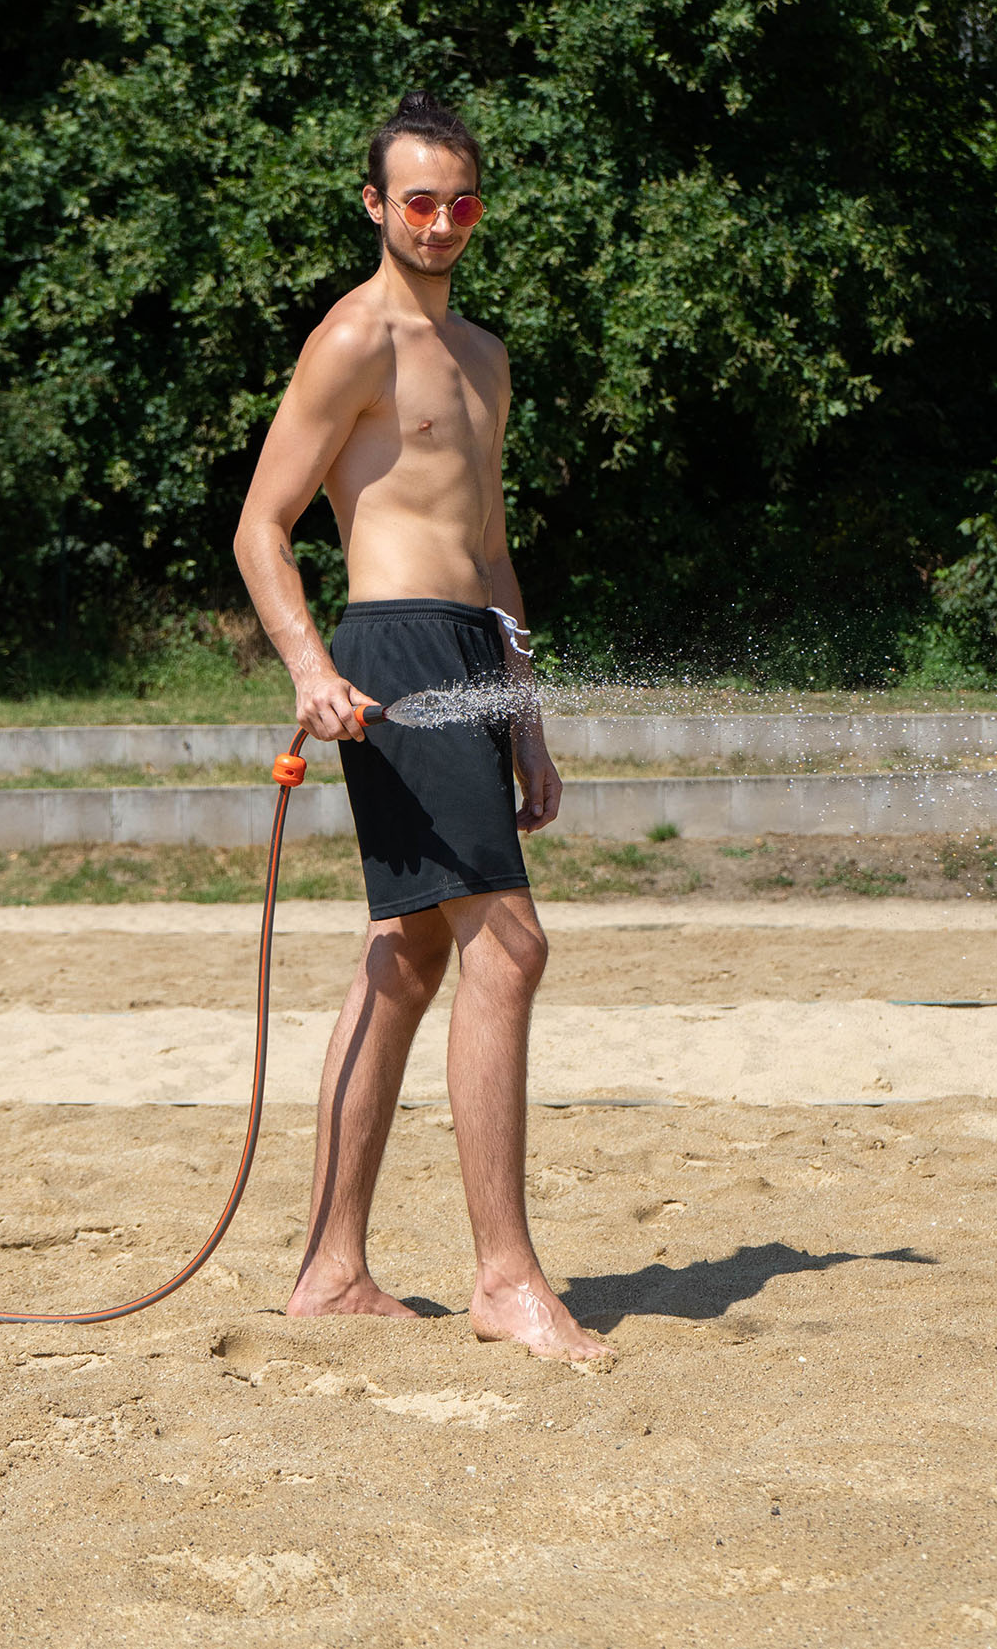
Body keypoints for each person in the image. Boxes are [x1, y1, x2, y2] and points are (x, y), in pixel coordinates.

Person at [234, 90, 608, 1364]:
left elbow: (492, 555)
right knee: (512, 946)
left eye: (461, 203)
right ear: (375, 206)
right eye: (418, 202)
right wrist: (308, 666)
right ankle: (505, 1279)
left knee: (409, 953)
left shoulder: (486, 357)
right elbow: (261, 527)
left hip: (468, 651)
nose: (441, 223)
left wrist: (527, 718)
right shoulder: (354, 338)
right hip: (389, 653)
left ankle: (332, 1272)